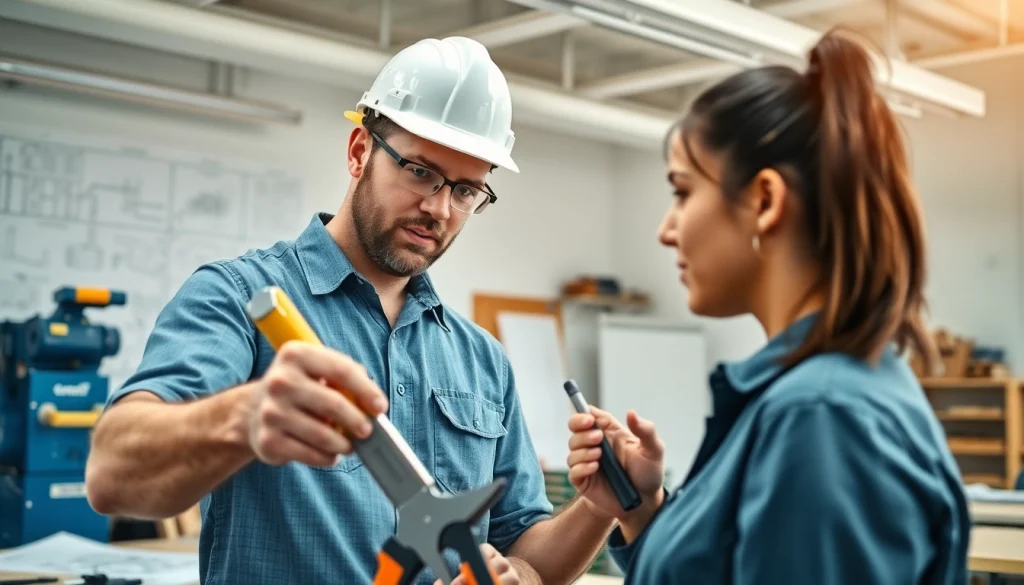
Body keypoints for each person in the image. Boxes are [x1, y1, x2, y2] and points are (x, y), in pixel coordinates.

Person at [85, 36, 615, 585]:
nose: (438, 208)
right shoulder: (240, 297)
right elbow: (112, 476)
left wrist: (594, 511)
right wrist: (243, 418)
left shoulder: (482, 359)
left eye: (464, 191)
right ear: (360, 150)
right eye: (419, 171)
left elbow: (523, 549)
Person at [566, 28, 971, 584]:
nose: (666, 230)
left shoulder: (823, 419)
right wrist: (641, 509)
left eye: (683, 192)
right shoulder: (811, 400)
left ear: (764, 201)